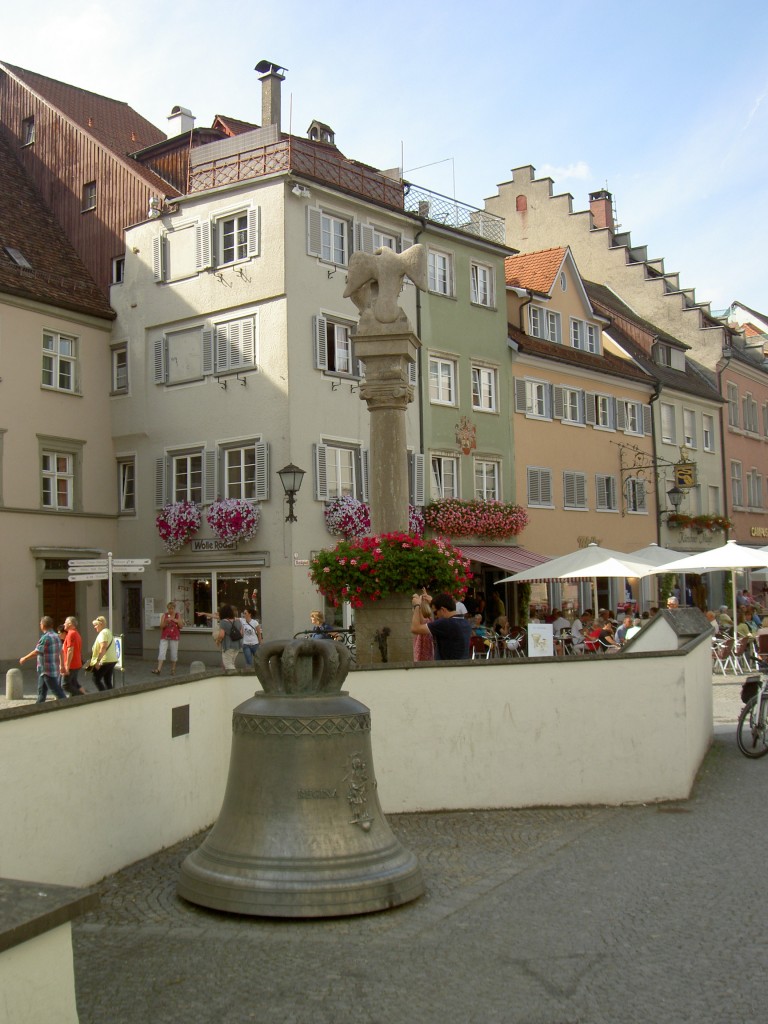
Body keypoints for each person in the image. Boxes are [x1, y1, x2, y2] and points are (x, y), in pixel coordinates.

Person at [20, 616, 67, 703]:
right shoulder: (57, 636)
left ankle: (69, 706)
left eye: (40, 623)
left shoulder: (45, 638)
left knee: (56, 691)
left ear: (43, 625)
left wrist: (25, 658)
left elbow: (37, 651)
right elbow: (61, 651)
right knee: (41, 692)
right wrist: (62, 665)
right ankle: (37, 708)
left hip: (47, 670)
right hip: (48, 669)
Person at [411, 593, 472, 660]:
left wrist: (417, 606)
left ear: (443, 610)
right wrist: (434, 603)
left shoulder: (445, 623)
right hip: (461, 666)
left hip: (446, 668)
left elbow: (415, 628)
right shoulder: (465, 623)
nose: (436, 616)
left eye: (435, 613)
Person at [152, 601, 184, 675]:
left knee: (174, 652)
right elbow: (161, 627)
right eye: (169, 609)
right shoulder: (165, 615)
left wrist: (176, 621)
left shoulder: (177, 615)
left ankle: (173, 669)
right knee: (162, 652)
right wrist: (166, 622)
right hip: (165, 636)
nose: (170, 610)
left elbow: (181, 626)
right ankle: (158, 669)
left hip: (174, 636)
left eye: (172, 609)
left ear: (174, 608)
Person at [90, 616, 118, 690]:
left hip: (105, 660)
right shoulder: (108, 631)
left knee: (96, 679)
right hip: (112, 659)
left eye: (96, 625)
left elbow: (103, 647)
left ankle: (103, 696)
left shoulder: (103, 633)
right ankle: (111, 696)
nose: (94, 627)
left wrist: (98, 661)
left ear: (101, 624)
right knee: (107, 681)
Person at [60, 616, 86, 695]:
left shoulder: (71, 634)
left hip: (72, 664)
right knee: (73, 683)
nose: (64, 624)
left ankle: (81, 696)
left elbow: (70, 650)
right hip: (76, 663)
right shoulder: (76, 633)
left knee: (65, 685)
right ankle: (75, 700)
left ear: (70, 624)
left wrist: (67, 666)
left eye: (65, 622)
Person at [215, 604, 242, 675]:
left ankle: (234, 679)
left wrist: (217, 641)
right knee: (232, 663)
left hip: (228, 646)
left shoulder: (223, 622)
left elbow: (221, 635)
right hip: (237, 645)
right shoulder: (238, 621)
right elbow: (242, 633)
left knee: (228, 665)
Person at [411, 591, 434, 662]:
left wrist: (417, 605)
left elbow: (420, 616)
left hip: (423, 659)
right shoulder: (430, 621)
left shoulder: (424, 622)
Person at [240, 606, 263, 672]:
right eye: (243, 613)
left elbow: (259, 633)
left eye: (245, 613)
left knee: (258, 659)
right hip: (246, 644)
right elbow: (232, 619)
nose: (244, 614)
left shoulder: (255, 622)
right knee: (248, 660)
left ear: (249, 614)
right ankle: (248, 672)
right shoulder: (242, 621)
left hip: (255, 644)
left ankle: (259, 672)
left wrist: (260, 642)